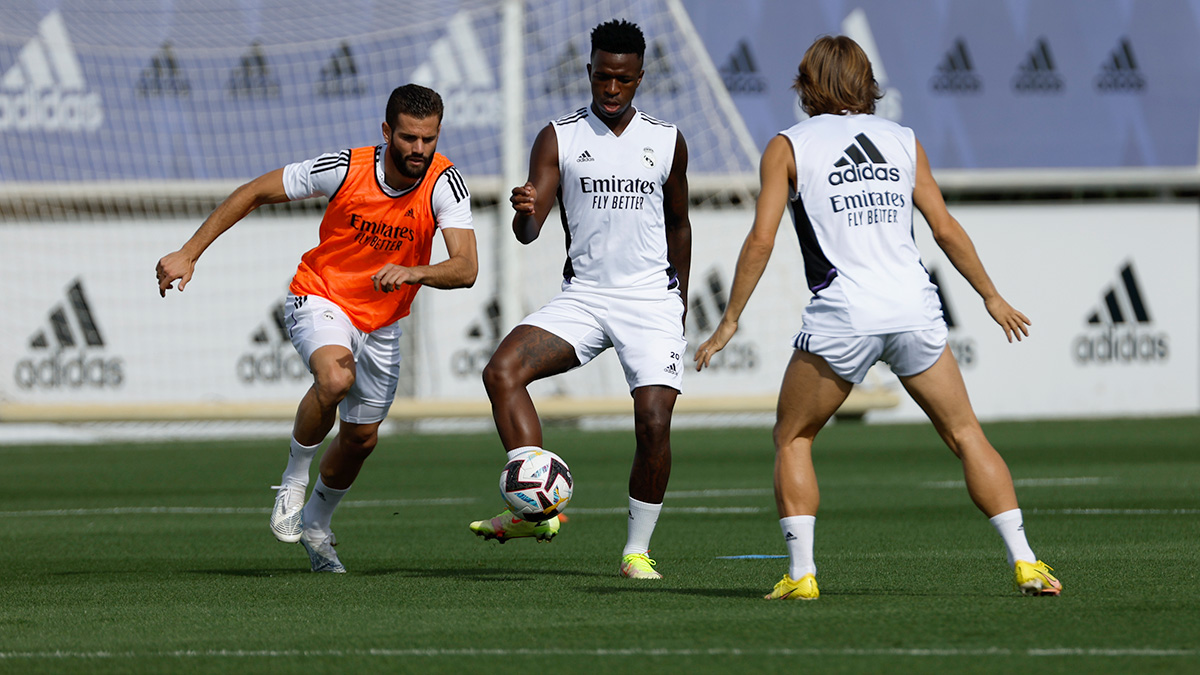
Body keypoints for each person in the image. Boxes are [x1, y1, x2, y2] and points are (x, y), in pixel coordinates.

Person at [694, 36, 1061, 599]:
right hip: (914, 308)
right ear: (867, 82)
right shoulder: (901, 139)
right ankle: (1027, 562)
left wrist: (729, 321)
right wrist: (990, 296)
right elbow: (942, 226)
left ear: (806, 84)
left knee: (793, 437)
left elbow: (762, 239)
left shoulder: (787, 146)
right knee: (966, 434)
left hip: (844, 314)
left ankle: (801, 575)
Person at [156, 84, 478, 573]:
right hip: (321, 295)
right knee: (334, 378)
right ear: (387, 131)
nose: (418, 150)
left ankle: (316, 526)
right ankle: (292, 479)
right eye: (409, 138)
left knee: (361, 440)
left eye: (428, 139)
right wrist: (188, 252)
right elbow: (254, 192)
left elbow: (466, 268)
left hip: (384, 321)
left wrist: (416, 273)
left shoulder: (444, 183)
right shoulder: (345, 167)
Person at [468, 19, 691, 580]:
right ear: (588, 72)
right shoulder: (559, 137)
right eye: (600, 77)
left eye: (622, 79)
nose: (610, 89)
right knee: (502, 372)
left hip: (651, 302)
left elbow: (680, 226)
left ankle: (636, 551)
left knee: (654, 424)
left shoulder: (666, 141)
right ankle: (534, 509)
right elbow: (528, 230)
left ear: (639, 77)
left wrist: (679, 302)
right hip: (586, 298)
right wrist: (523, 209)